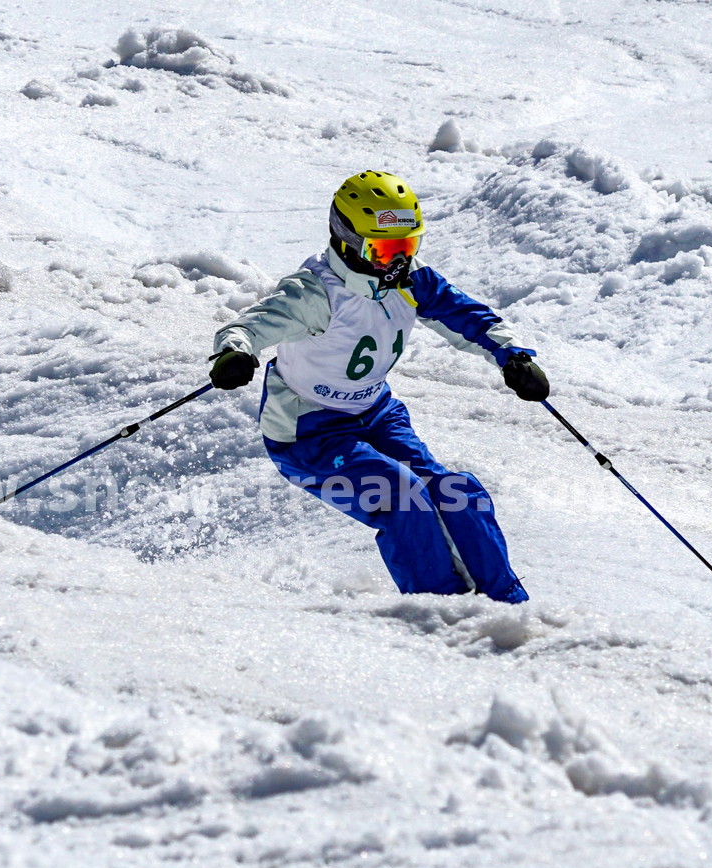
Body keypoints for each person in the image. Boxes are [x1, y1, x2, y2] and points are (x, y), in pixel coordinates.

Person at [209, 170, 549, 603]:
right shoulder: (314, 293)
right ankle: (444, 610)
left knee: (455, 491)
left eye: (407, 247)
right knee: (402, 496)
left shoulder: (411, 281)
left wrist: (512, 356)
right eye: (385, 249)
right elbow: (248, 327)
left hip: (377, 414)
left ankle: (507, 605)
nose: (398, 262)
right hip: (307, 431)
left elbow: (467, 316)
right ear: (347, 239)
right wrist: (233, 354)